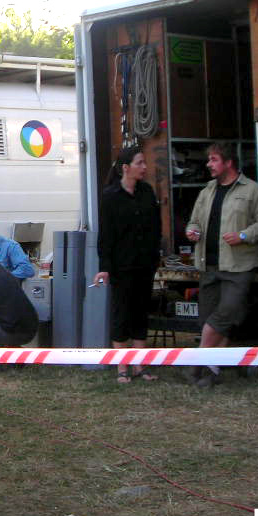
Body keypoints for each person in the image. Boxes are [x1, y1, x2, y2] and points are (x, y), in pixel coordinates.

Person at [185, 142, 258, 388]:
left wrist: (243, 236)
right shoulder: (207, 191)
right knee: (209, 321)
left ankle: (196, 365)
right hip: (209, 266)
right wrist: (192, 231)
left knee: (221, 318)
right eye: (209, 160)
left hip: (239, 267)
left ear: (228, 163)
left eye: (213, 160)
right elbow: (193, 222)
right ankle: (211, 373)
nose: (208, 165)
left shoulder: (252, 190)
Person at [93, 146, 162, 383]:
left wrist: (155, 256)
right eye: (139, 163)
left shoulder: (146, 192)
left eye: (144, 163)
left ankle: (140, 366)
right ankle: (122, 368)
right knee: (121, 313)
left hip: (145, 264)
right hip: (122, 266)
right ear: (126, 168)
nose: (144, 167)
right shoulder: (111, 196)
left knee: (141, 313)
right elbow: (106, 236)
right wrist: (105, 266)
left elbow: (155, 227)